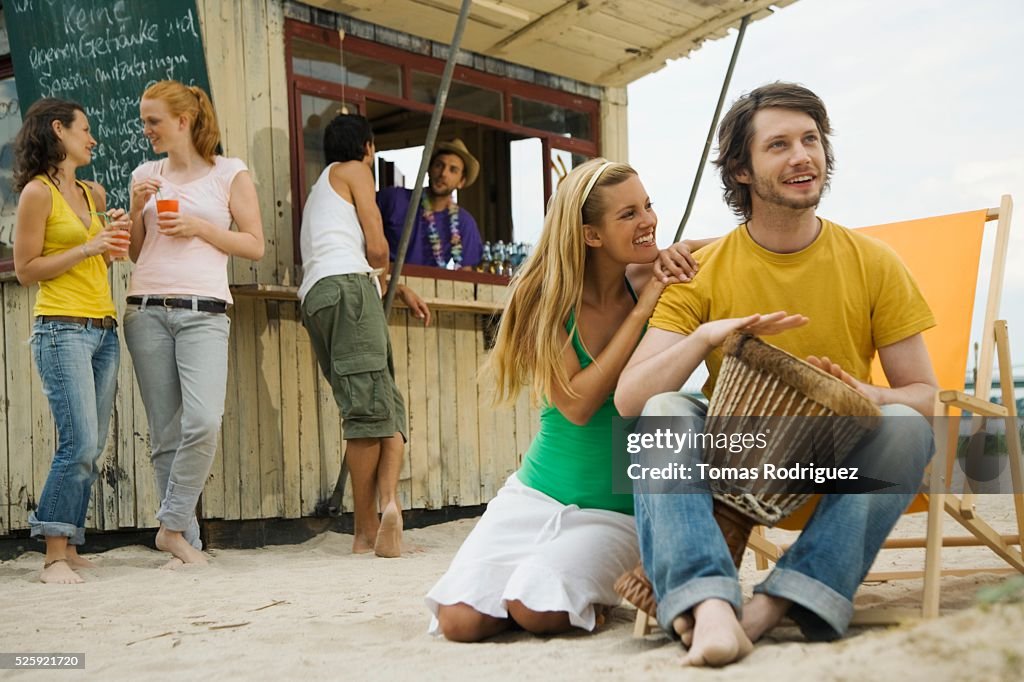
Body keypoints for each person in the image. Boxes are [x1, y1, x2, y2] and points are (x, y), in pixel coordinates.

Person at [615, 82, 938, 666]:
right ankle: (711, 603)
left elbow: (924, 396)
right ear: (740, 169)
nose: (802, 157)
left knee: (908, 426)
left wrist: (863, 392)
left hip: (835, 468)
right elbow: (630, 399)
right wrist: (708, 335)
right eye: (779, 144)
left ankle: (771, 606)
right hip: (734, 459)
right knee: (663, 413)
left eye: (811, 140)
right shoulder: (701, 269)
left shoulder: (875, 263)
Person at [425, 157, 742, 642]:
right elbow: (577, 404)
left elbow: (741, 248)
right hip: (536, 494)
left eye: (648, 206)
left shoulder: (656, 274)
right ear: (591, 235)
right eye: (628, 214)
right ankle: (537, 579)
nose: (649, 221)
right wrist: (645, 305)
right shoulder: (544, 300)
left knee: (536, 610)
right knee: (460, 622)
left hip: (617, 509)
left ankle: (565, 590)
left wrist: (681, 251)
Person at [124, 80, 265, 566]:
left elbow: (254, 244)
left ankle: (168, 530)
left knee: (202, 422)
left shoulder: (230, 172)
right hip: (145, 308)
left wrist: (200, 227)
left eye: (153, 121)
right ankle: (186, 544)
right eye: (144, 121)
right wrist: (138, 207)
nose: (146, 130)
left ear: (183, 121)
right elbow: (137, 251)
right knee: (165, 434)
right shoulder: (145, 172)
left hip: (204, 310)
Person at [298, 114, 431, 557]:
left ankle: (390, 505)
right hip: (349, 290)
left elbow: (353, 253)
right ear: (368, 148)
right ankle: (364, 531)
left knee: (384, 405)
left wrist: (397, 287)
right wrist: (385, 266)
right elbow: (376, 248)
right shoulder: (355, 170)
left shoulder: (321, 187)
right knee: (368, 412)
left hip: (324, 295)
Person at [13, 98, 131, 584]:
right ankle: (53, 554)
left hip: (103, 329)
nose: (92, 138)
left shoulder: (94, 194)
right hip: (61, 328)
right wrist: (89, 245)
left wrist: (112, 241)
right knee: (77, 441)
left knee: (92, 443)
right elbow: (25, 271)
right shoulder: (37, 194)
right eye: (84, 130)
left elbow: (96, 262)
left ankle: (71, 543)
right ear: (58, 130)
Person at [376, 138, 484, 269]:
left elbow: (466, 274)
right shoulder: (394, 199)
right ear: (429, 169)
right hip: (384, 284)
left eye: (453, 170)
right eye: (439, 165)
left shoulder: (465, 223)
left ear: (461, 181)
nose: (443, 173)